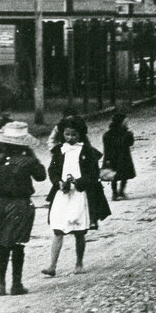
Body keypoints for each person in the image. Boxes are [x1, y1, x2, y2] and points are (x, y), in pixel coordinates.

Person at [0, 121, 46, 296]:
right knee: (17, 243)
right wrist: (32, 155)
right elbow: (41, 176)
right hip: (20, 204)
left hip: (0, 204)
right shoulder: (29, 161)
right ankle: (16, 283)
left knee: (2, 244)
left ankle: (0, 284)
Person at [42, 118, 111, 276]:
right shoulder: (59, 150)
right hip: (62, 194)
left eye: (74, 134)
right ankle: (52, 265)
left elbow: (93, 174)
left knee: (79, 231)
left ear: (80, 135)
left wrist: (79, 182)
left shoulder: (87, 151)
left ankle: (79, 263)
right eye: (67, 134)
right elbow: (52, 171)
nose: (70, 138)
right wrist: (58, 182)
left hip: (80, 194)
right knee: (58, 229)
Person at [102, 113, 136, 201]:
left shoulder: (108, 134)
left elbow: (130, 143)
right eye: (125, 122)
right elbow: (130, 143)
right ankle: (118, 192)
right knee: (119, 175)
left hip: (118, 157)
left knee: (118, 175)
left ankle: (117, 192)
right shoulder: (123, 133)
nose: (126, 124)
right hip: (119, 157)